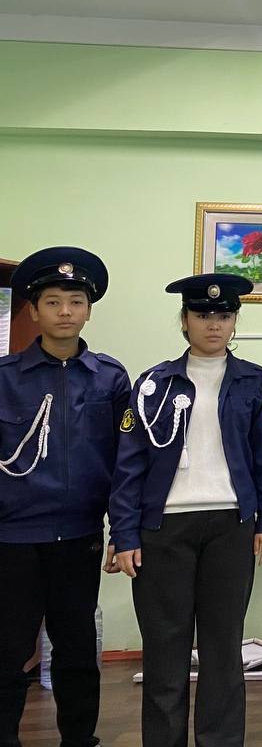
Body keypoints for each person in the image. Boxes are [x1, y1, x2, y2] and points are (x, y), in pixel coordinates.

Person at [107, 273, 262, 747]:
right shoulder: (154, 383)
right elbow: (129, 465)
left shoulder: (253, 381)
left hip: (230, 524)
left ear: (235, 321)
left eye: (224, 315)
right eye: (202, 315)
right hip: (164, 529)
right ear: (184, 321)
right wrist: (124, 533)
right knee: (165, 650)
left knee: (223, 649)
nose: (214, 324)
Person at [0, 248, 129, 747]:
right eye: (53, 302)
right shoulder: (5, 378)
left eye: (75, 302)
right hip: (13, 538)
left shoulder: (109, 377)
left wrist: (122, 531)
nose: (65, 312)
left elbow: (125, 462)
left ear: (89, 310)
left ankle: (80, 739)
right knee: (8, 650)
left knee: (76, 649)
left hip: (78, 536)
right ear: (34, 311)